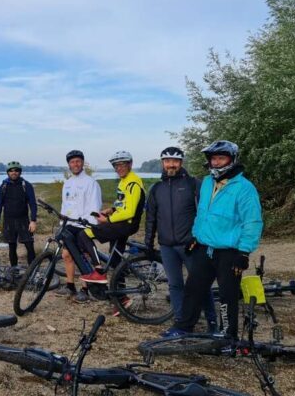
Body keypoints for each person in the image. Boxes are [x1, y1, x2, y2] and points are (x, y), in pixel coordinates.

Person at [162, 141, 263, 339]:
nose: (216, 162)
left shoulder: (244, 188)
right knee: (193, 288)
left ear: (232, 160)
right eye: (213, 158)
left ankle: (227, 336)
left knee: (227, 295)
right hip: (204, 247)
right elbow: (202, 213)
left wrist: (244, 252)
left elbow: (252, 222)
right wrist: (195, 236)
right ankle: (184, 327)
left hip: (230, 251)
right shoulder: (208, 182)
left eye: (221, 158)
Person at [144, 147, 217, 332]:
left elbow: (206, 213)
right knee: (175, 285)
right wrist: (148, 244)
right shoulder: (156, 188)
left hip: (191, 244)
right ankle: (181, 323)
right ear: (162, 163)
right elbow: (151, 218)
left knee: (201, 284)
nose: (171, 165)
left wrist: (200, 238)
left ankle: (213, 323)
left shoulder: (193, 184)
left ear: (181, 163)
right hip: (167, 246)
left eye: (175, 161)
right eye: (167, 161)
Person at [76, 151, 145, 315]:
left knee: (84, 235)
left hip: (125, 224)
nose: (119, 168)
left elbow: (129, 211)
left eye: (122, 164)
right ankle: (122, 299)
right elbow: (122, 204)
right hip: (122, 223)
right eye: (116, 166)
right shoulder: (124, 181)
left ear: (130, 164)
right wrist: (111, 210)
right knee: (116, 261)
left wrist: (108, 220)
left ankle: (98, 271)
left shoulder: (133, 183)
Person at [53, 150, 103, 299]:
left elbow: (95, 206)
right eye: (72, 162)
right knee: (66, 255)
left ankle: (85, 289)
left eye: (78, 161)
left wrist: (89, 225)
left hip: (83, 226)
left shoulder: (91, 183)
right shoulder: (67, 183)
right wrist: (62, 223)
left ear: (82, 163)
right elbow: (65, 205)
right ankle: (70, 286)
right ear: (69, 164)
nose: (75, 164)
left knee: (82, 257)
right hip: (69, 225)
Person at [0, 161, 38, 267]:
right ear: (8, 172)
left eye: (16, 170)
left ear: (20, 172)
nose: (14, 172)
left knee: (29, 246)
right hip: (9, 221)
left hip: (23, 220)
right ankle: (14, 270)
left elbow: (33, 204)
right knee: (12, 247)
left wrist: (33, 220)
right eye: (11, 171)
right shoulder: (3, 186)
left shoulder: (26, 185)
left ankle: (33, 271)